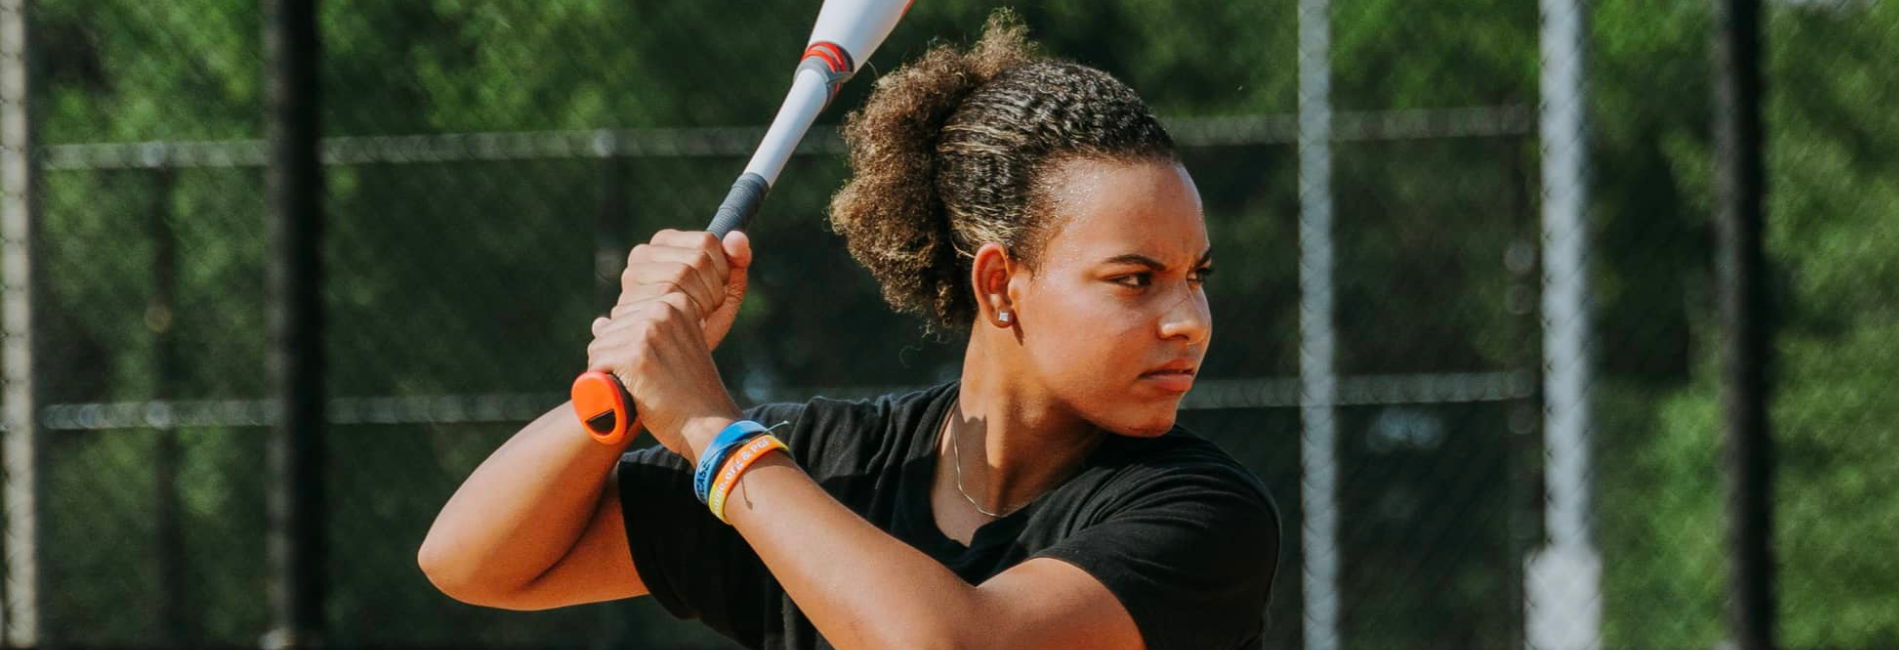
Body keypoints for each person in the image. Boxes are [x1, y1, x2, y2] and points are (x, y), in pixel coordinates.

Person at [419, 13, 1279, 650]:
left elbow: (947, 645)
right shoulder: (829, 469)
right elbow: (473, 561)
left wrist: (708, 430)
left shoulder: (1200, 515)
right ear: (1000, 284)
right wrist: (636, 363)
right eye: (1136, 279)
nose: (1188, 321)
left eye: (1196, 277)